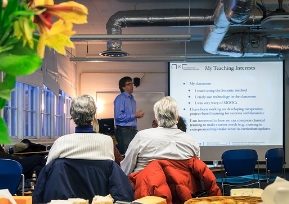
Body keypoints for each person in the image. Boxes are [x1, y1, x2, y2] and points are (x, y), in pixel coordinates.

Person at [120, 96, 200, 175]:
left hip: (146, 187)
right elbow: (197, 172)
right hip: (181, 187)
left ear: (156, 119)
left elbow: (125, 171)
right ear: (178, 118)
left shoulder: (141, 137)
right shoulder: (192, 142)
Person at [46, 94, 115, 165]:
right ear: (93, 115)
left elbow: (48, 170)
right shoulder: (107, 141)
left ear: (72, 116)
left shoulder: (60, 142)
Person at [114, 76, 144, 155]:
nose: (132, 86)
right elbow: (118, 116)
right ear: (123, 87)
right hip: (124, 130)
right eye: (129, 84)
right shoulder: (120, 98)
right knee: (127, 154)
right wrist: (134, 115)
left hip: (132, 130)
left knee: (133, 154)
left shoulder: (132, 100)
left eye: (132, 84)